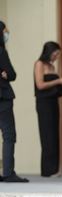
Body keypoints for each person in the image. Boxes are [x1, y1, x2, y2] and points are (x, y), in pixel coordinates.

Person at [34, 41, 62, 177]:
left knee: (54, 134)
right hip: (43, 103)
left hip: (53, 103)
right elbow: (40, 85)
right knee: (47, 134)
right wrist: (60, 81)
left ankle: (54, 169)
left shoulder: (51, 65)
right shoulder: (39, 64)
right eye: (55, 54)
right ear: (49, 52)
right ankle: (47, 170)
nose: (56, 57)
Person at [0, 21, 28, 182]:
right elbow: (12, 74)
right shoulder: (1, 52)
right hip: (3, 99)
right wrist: (5, 74)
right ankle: (8, 172)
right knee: (9, 135)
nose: (6, 34)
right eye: (5, 31)